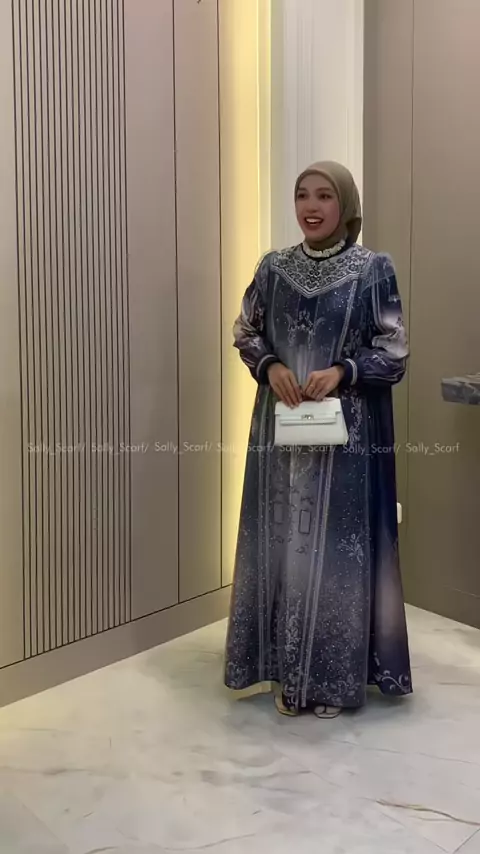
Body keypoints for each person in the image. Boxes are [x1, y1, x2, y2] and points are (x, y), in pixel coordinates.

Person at [224, 161, 412, 719]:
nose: (311, 206)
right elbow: (245, 330)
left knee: (333, 556)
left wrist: (344, 371)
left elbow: (395, 350)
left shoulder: (372, 269)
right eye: (302, 194)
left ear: (345, 204)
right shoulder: (273, 268)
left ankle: (331, 680)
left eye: (324, 195)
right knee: (283, 547)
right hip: (280, 433)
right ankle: (285, 670)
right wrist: (271, 365)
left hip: (345, 439)